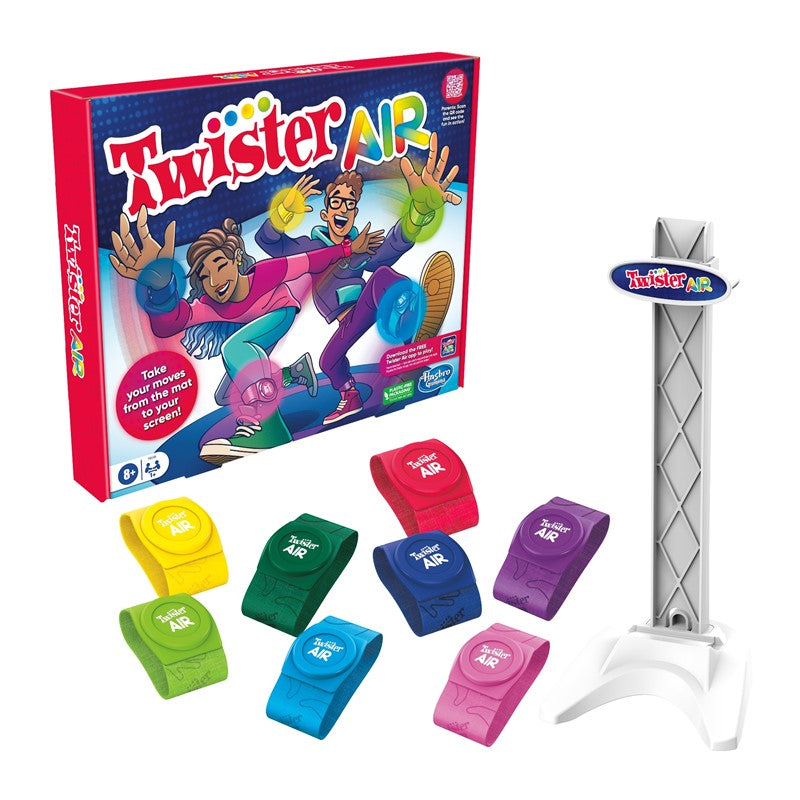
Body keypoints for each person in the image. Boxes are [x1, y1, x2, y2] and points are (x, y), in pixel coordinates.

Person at [109, 206, 383, 462]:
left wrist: (348, 249)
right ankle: (295, 373)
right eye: (205, 276)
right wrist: (160, 288)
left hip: (280, 312)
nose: (215, 281)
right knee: (228, 395)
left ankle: (270, 430)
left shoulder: (265, 273)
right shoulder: (209, 304)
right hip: (255, 332)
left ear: (237, 259)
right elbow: (168, 325)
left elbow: (311, 261)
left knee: (234, 348)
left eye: (220, 266)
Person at [256, 131, 460, 424]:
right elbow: (268, 242)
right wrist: (284, 212)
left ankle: (411, 321)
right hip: (348, 320)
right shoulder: (309, 248)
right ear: (325, 213)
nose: (343, 208)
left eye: (349, 204)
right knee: (328, 361)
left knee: (382, 275)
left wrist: (418, 211)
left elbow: (393, 245)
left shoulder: (361, 244)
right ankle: (350, 397)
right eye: (336, 202)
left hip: (371, 303)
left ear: (354, 214)